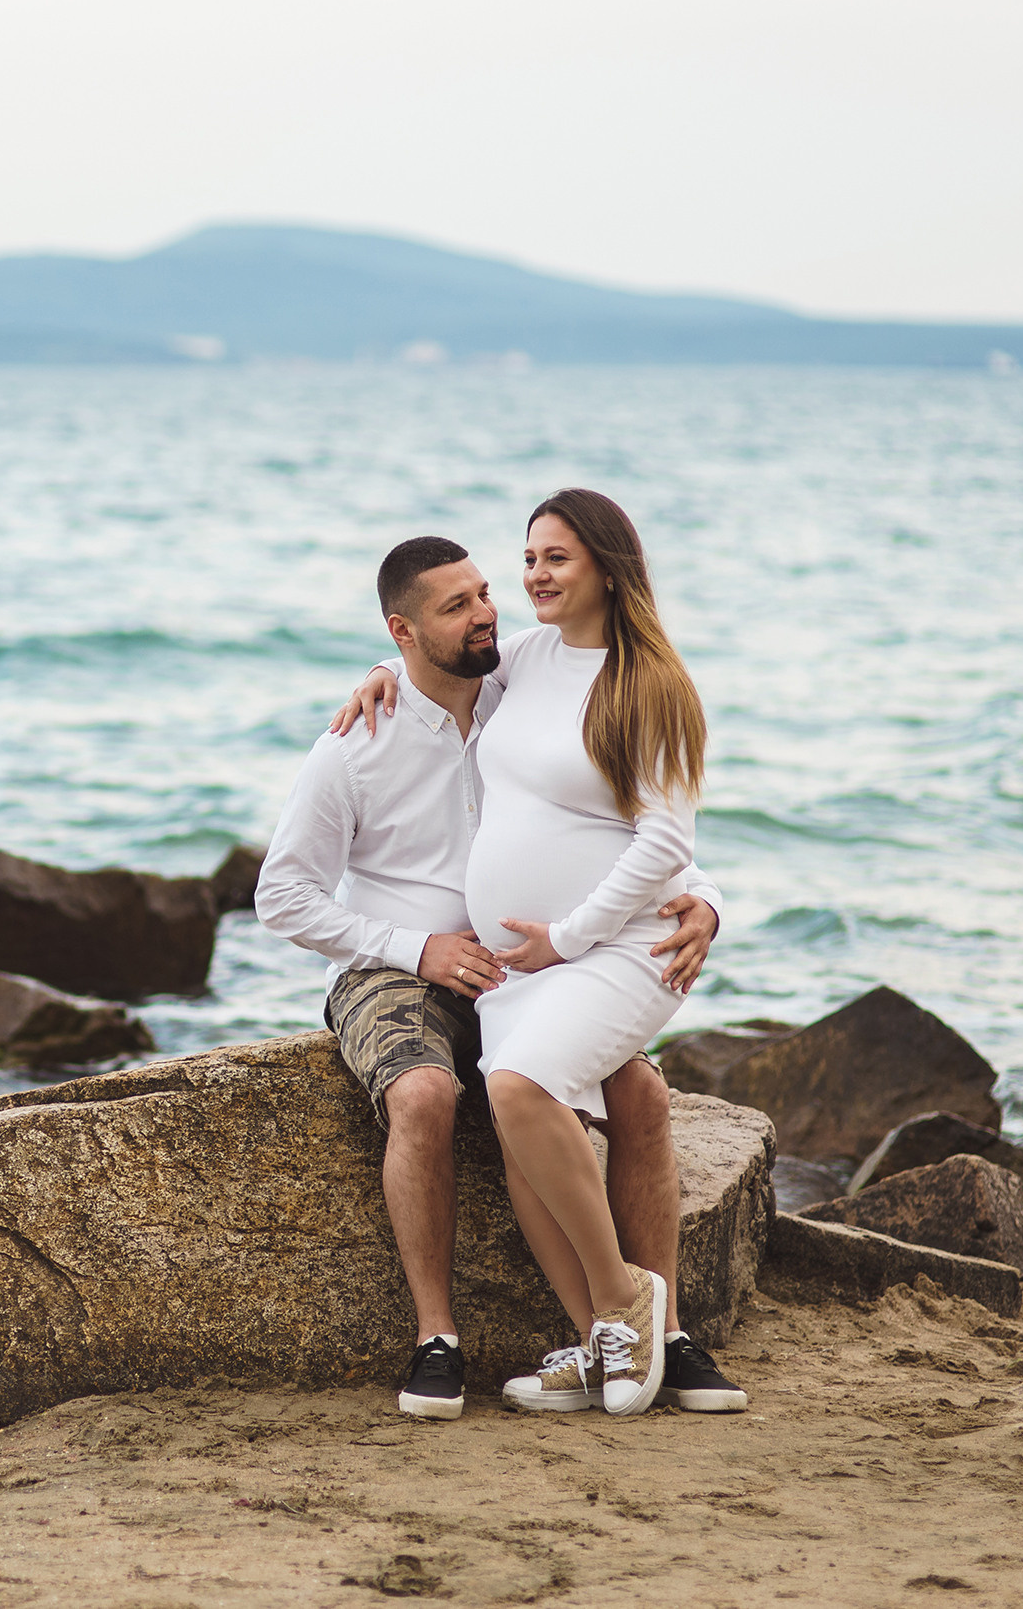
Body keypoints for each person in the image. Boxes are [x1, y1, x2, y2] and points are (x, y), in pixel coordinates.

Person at [258, 528, 746, 1423]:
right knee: (426, 1094)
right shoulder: (353, 744)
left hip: (523, 965)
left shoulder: (513, 691)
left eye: (486, 591)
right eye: (459, 605)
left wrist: (703, 898)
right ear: (404, 634)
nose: (488, 612)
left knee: (639, 1092)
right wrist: (417, 948)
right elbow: (281, 895)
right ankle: (437, 1338)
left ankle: (659, 1334)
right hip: (395, 965)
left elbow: (628, 814)